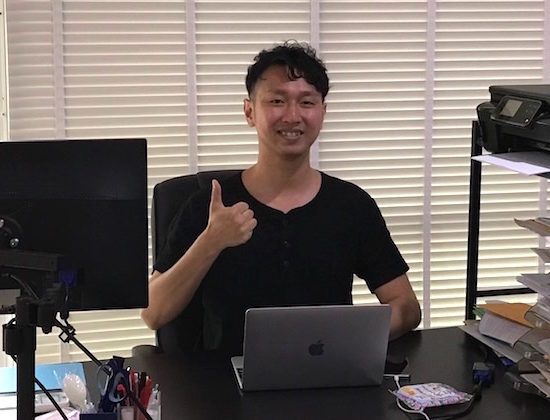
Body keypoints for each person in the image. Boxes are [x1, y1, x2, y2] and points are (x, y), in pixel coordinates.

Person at [141, 40, 421, 355]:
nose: (292, 115)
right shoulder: (210, 205)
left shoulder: (352, 205)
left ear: (323, 112)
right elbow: (153, 313)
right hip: (227, 381)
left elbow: (406, 306)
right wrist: (211, 242)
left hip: (328, 373)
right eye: (277, 101)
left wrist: (351, 337)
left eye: (307, 102)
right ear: (249, 112)